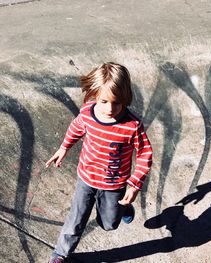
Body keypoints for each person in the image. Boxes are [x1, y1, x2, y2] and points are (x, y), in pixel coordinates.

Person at [45, 62, 153, 263]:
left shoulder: (131, 125)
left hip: (114, 184)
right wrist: (64, 147)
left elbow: (145, 153)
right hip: (86, 178)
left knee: (109, 224)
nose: (110, 108)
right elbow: (76, 128)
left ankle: (124, 208)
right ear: (94, 94)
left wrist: (135, 183)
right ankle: (61, 253)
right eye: (104, 101)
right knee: (76, 219)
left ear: (125, 99)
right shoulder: (87, 113)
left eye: (117, 102)